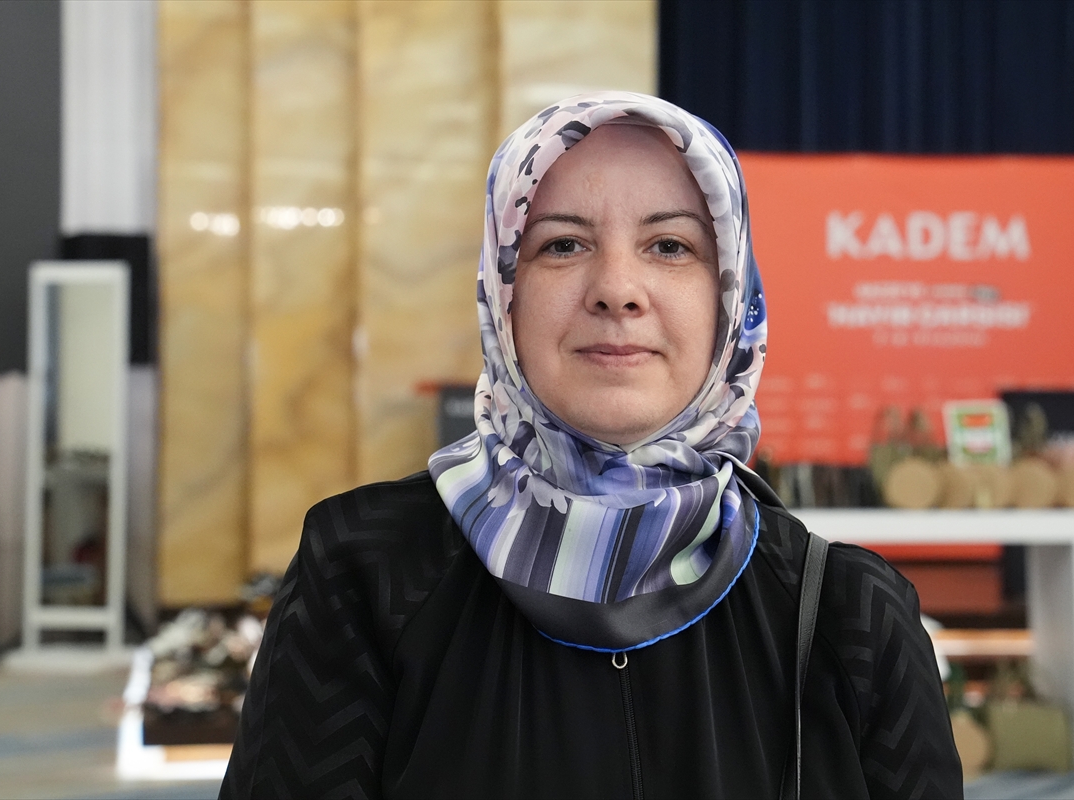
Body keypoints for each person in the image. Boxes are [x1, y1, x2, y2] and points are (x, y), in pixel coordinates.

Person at [220, 92, 963, 799]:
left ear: (730, 296)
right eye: (563, 245)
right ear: (503, 294)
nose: (617, 289)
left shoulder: (848, 616)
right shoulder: (365, 573)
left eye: (670, 246)